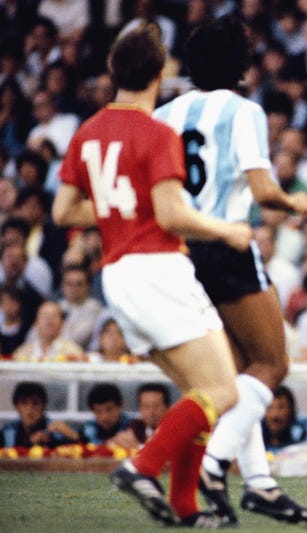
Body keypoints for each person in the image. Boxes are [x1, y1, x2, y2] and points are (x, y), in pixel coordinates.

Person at [53, 25, 248, 528]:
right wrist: (226, 230)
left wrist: (119, 214)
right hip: (159, 267)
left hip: (117, 275)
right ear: (162, 75)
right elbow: (172, 216)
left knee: (201, 393)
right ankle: (142, 466)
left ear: (112, 73)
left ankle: (185, 508)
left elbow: (62, 212)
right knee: (226, 392)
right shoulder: (157, 132)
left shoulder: (88, 131)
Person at [152, 17, 307, 525]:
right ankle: (215, 464)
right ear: (241, 63)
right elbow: (263, 191)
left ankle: (261, 483)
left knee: (238, 372)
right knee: (272, 365)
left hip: (180, 250)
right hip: (225, 242)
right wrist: (297, 204)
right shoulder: (244, 111)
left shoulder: (165, 113)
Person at [1, 381, 75, 448]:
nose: (30, 409)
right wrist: (30, 443)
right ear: (16, 407)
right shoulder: (8, 430)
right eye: (24, 403)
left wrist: (73, 436)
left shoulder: (54, 429)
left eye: (35, 403)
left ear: (44, 407)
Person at [260, 385, 307, 453]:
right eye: (269, 408)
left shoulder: (305, 427)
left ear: (291, 409)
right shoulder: (257, 429)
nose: (275, 414)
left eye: (281, 407)